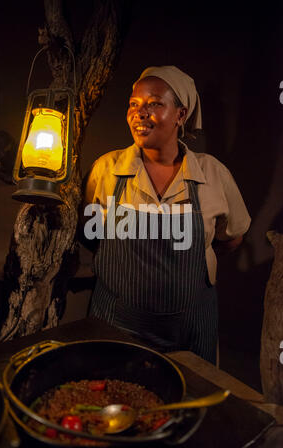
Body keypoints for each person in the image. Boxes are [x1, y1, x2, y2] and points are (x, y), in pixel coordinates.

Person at [82, 65, 251, 365]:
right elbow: (92, 235)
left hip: (191, 332)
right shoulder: (106, 170)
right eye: (133, 105)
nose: (139, 113)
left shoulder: (212, 174)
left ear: (181, 115)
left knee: (190, 405)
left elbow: (232, 238)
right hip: (115, 325)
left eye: (154, 104)